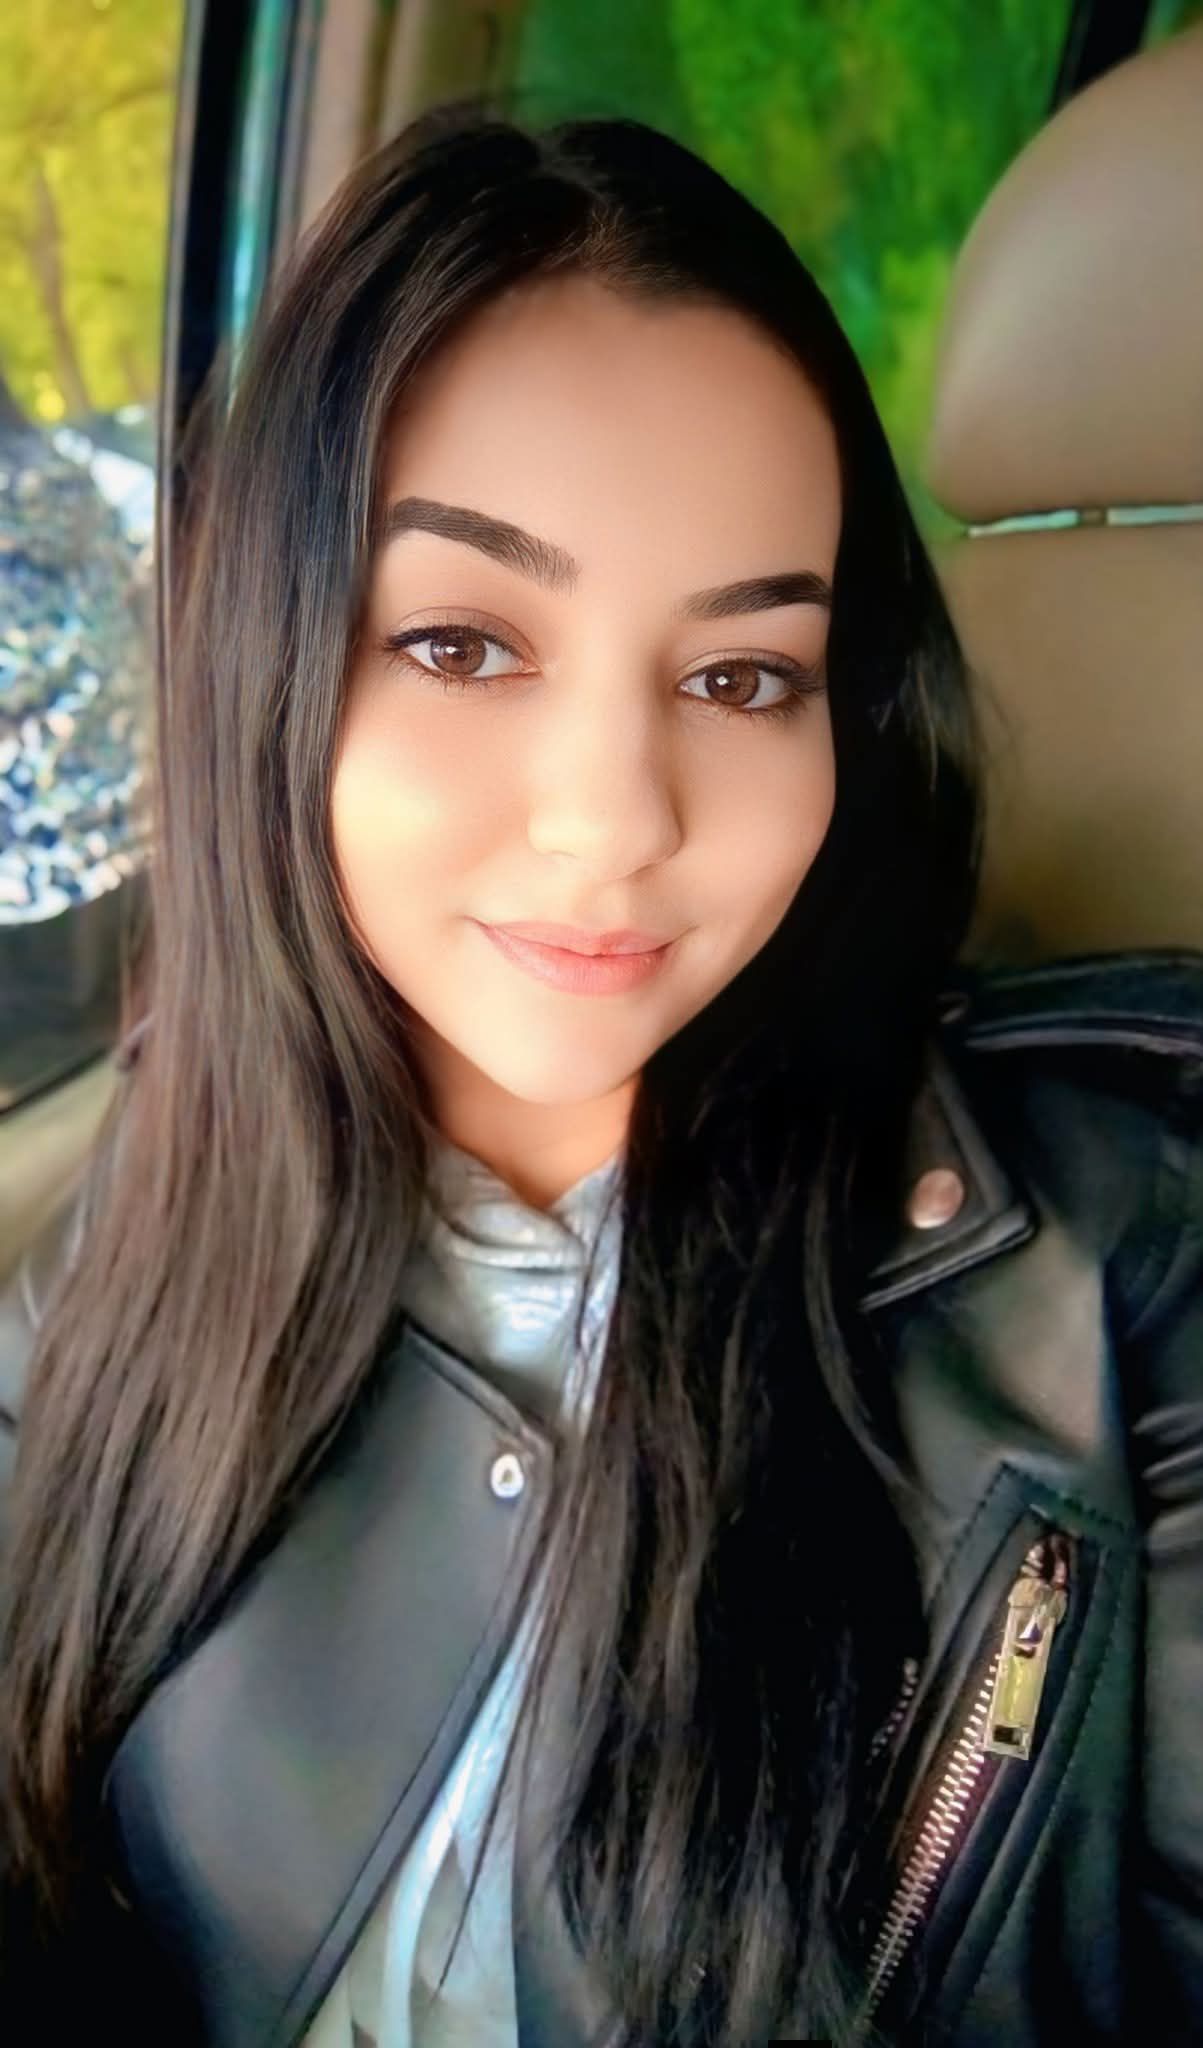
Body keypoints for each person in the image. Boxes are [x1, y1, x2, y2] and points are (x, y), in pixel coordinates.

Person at [0, 101, 1201, 2048]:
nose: (617, 820)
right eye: (466, 643)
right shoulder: (139, 1211)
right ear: (271, 662)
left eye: (740, 678)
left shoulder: (1124, 1270)